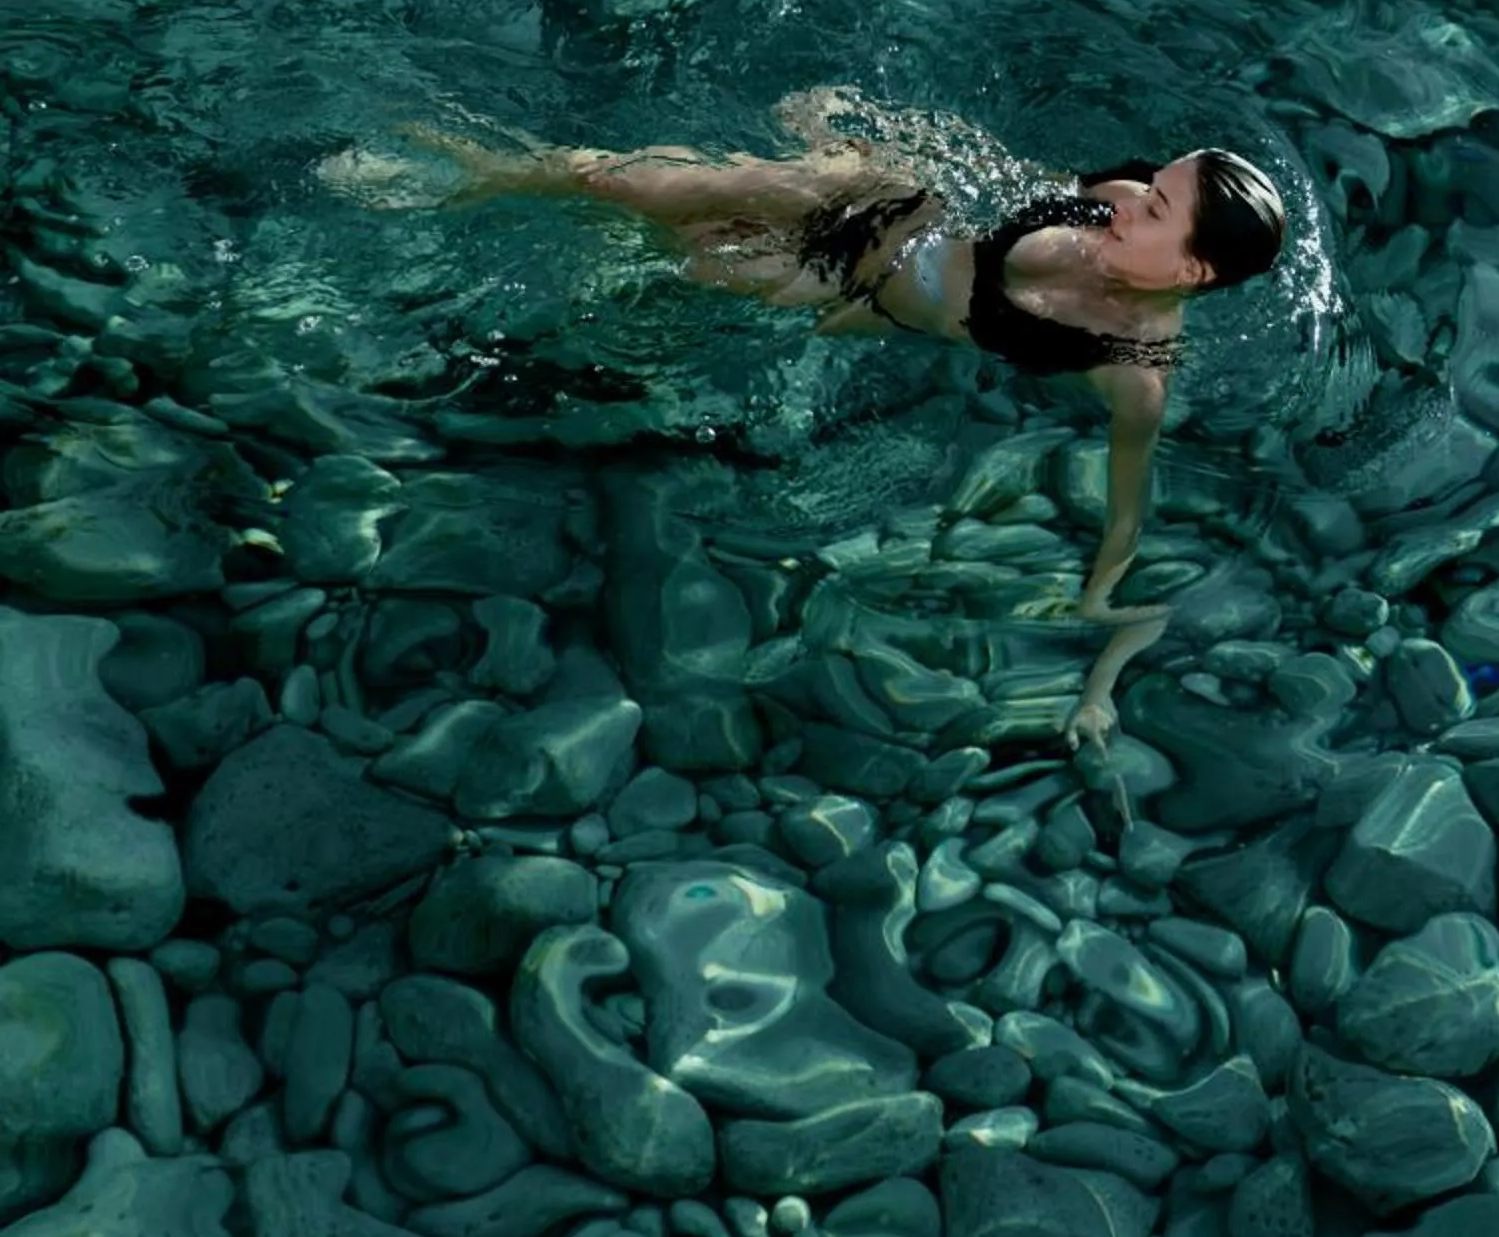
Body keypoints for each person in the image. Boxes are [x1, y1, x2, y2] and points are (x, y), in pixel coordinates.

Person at [356, 92, 1287, 765]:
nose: (1129, 195)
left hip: (853, 290)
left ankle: (440, 316)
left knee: (686, 265)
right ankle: (461, 171)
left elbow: (1126, 519)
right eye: (1150, 182)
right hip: (878, 198)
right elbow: (974, 170)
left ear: (1192, 273)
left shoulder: (1130, 372)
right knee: (631, 183)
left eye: (1156, 206)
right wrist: (854, 125)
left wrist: (1099, 664)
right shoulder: (1104, 202)